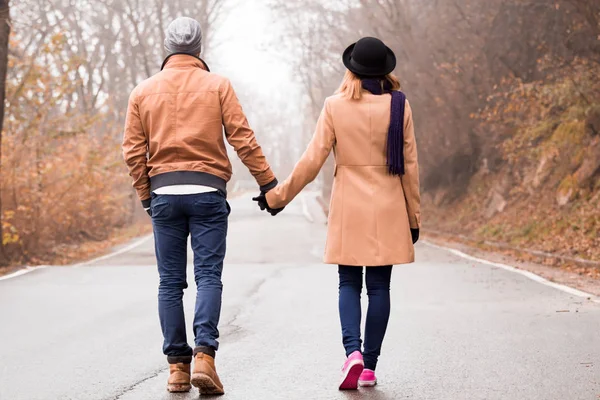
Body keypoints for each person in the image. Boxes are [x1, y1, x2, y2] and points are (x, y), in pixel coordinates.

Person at [254, 37, 421, 390]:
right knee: (379, 287)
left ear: (352, 69)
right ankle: (371, 366)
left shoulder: (335, 106)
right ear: (385, 71)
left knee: (348, 283)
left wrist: (278, 197)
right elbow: (410, 167)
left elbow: (312, 160)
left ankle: (353, 354)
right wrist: (413, 218)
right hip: (389, 205)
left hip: (349, 207)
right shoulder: (399, 106)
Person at [122, 17, 278, 395]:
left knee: (170, 283)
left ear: (167, 47)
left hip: (164, 195)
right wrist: (268, 183)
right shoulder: (218, 85)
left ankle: (177, 368)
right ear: (199, 49)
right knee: (208, 276)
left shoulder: (143, 91)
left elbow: (132, 152)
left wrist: (147, 194)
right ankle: (204, 357)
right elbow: (242, 138)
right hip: (208, 193)